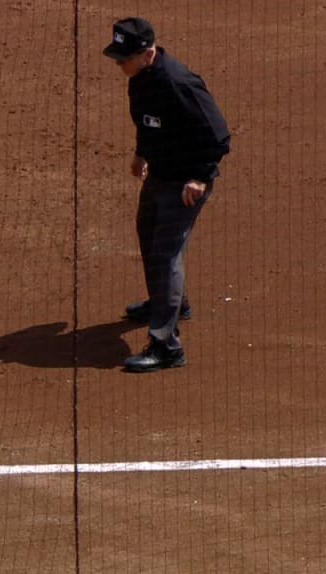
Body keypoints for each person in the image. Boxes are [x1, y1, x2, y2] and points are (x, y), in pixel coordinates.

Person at [102, 17, 231, 372]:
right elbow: (147, 120)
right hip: (160, 172)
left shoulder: (178, 83)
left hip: (186, 181)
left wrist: (200, 178)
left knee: (165, 251)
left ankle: (166, 346)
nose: (118, 64)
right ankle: (170, 303)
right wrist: (141, 152)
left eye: (123, 58)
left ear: (148, 53)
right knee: (147, 231)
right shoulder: (141, 78)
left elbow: (218, 135)